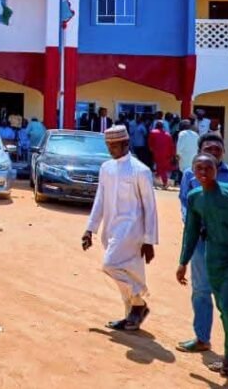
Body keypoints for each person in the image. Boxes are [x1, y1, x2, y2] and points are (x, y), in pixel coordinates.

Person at [177, 153, 228, 378]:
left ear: (216, 169)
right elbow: (191, 231)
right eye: (199, 168)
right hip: (215, 259)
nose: (203, 172)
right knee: (226, 309)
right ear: (193, 171)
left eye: (208, 168)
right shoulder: (194, 197)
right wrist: (183, 262)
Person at [82, 125, 158, 332]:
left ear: (126, 144)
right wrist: (90, 229)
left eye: (114, 145)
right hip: (112, 229)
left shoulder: (140, 170)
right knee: (126, 271)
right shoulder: (106, 168)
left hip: (133, 231)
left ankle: (139, 303)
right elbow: (100, 199)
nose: (110, 149)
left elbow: (150, 207)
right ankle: (130, 316)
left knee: (110, 265)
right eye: (108, 145)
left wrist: (150, 240)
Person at [148, 121, 175, 190]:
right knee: (162, 168)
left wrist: (152, 150)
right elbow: (172, 146)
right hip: (167, 154)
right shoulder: (168, 134)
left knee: (160, 168)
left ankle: (164, 183)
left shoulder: (153, 132)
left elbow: (150, 144)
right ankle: (159, 182)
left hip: (158, 153)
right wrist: (172, 155)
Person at [176, 119, 199, 185]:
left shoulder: (182, 133)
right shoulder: (196, 134)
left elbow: (180, 146)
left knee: (183, 173)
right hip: (194, 157)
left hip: (184, 156)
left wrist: (177, 155)